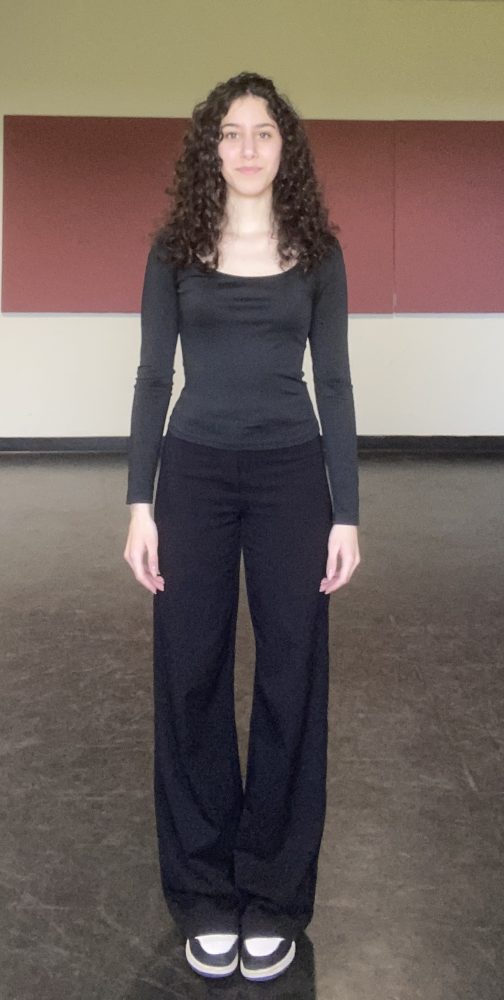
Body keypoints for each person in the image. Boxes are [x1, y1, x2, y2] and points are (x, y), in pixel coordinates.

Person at [123, 70, 360, 983]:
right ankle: (203, 893)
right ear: (211, 149)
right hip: (193, 477)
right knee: (190, 677)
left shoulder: (319, 253)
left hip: (294, 479)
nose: (248, 146)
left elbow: (334, 383)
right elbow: (154, 377)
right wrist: (139, 503)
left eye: (264, 131)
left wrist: (348, 510)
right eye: (231, 132)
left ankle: (273, 893)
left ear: (284, 147)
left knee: (291, 681)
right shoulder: (173, 250)